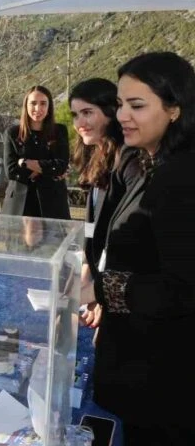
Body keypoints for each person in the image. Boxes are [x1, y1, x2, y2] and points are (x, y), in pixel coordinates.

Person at [81, 52, 195, 446]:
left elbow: (183, 289)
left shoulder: (180, 177)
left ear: (175, 108)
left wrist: (102, 289)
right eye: (121, 104)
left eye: (137, 105)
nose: (123, 115)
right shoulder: (150, 163)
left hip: (163, 384)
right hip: (139, 368)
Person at [69, 78, 128, 329]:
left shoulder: (127, 162)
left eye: (87, 113)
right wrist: (86, 273)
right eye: (75, 115)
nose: (79, 123)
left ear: (111, 112)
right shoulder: (97, 155)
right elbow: (93, 226)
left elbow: (123, 240)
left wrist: (103, 296)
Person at [2, 85, 71, 219]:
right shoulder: (13, 133)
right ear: (26, 105)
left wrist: (25, 163)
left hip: (52, 204)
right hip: (20, 204)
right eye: (33, 103)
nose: (38, 109)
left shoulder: (59, 131)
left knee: (53, 240)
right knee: (19, 240)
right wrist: (48, 169)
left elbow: (61, 166)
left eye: (43, 104)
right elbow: (10, 171)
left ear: (49, 106)